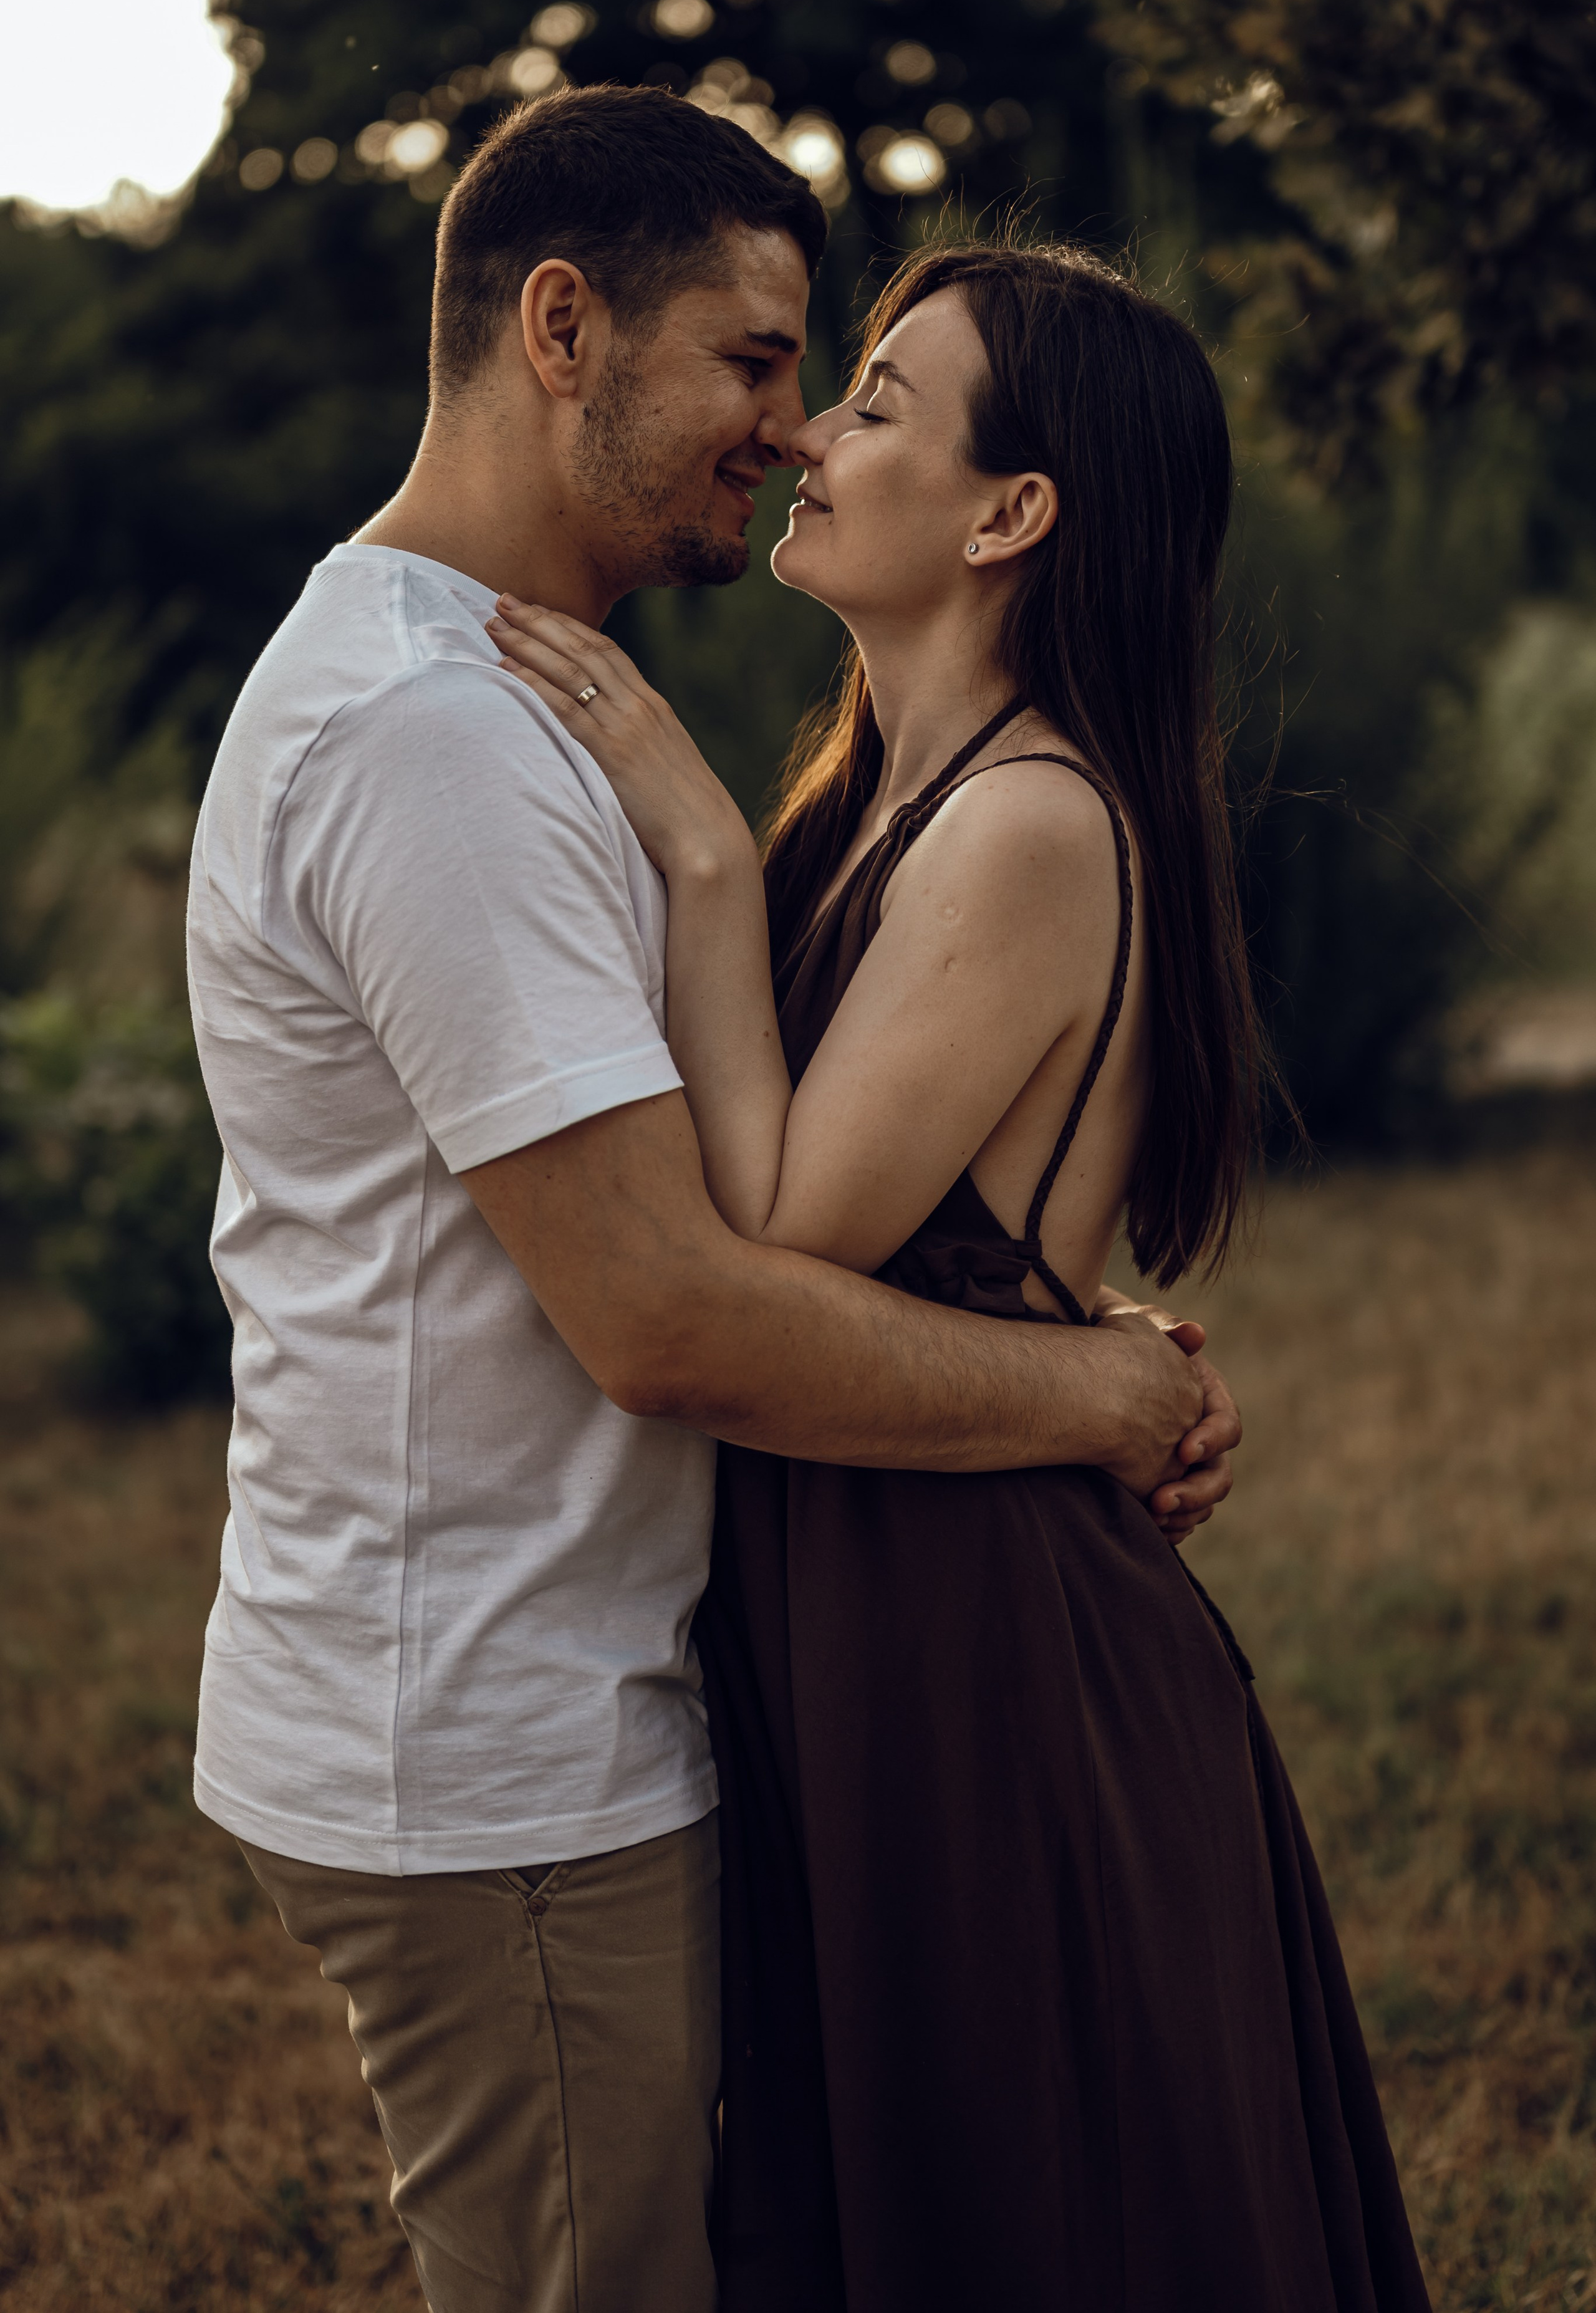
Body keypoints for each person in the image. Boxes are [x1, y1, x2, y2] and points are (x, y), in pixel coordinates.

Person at [187, 89, 1241, 2313]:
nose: (786, 434)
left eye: (839, 385)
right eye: (768, 365)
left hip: (645, 1682)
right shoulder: (440, 741)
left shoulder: (531, 714)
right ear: (563, 327)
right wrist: (1100, 1396)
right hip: (502, 1731)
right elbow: (676, 1312)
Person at [486, 238, 1433, 2311]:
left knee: (1041, 2206)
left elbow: (780, 1232)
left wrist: (701, 857)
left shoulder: (1025, 827)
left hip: (990, 1644)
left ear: (1014, 515)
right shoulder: (868, 803)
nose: (816, 433)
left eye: (885, 404)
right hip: (861, 1603)